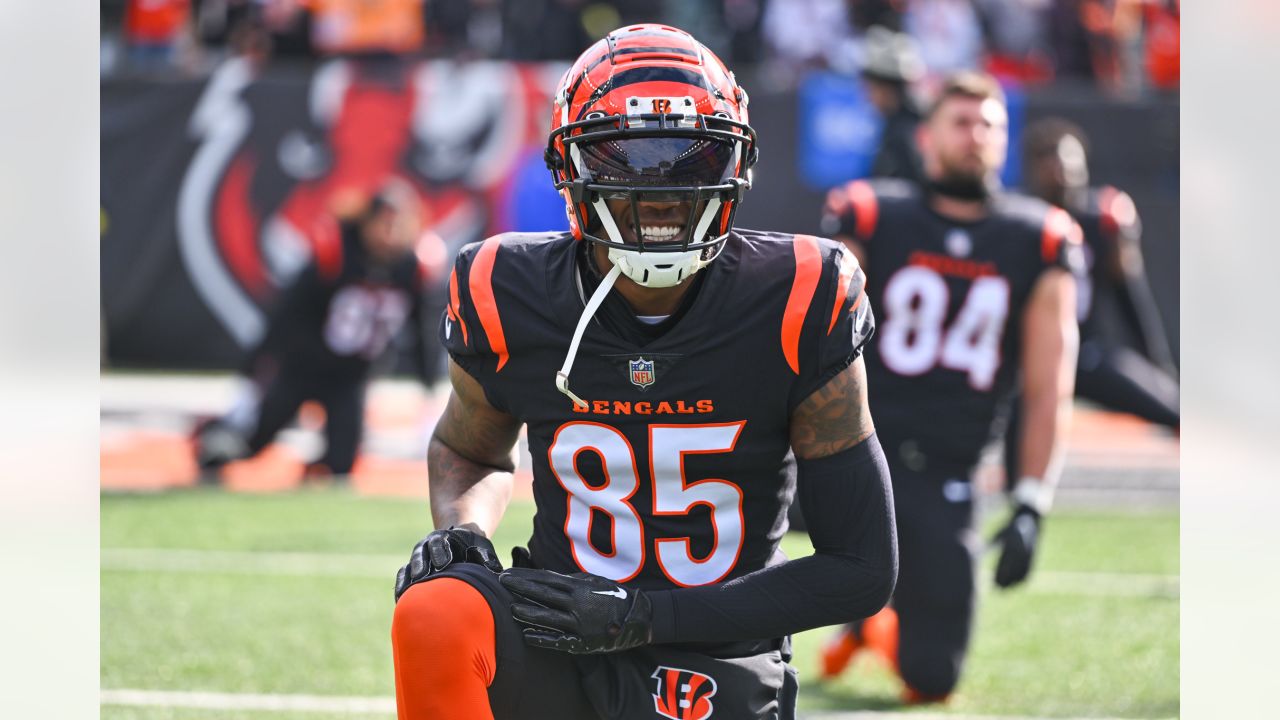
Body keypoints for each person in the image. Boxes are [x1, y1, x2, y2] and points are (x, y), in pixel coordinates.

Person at [389, 24, 898, 720]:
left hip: (716, 648)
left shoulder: (799, 295)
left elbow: (863, 570)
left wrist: (645, 615)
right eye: (625, 158)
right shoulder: (503, 287)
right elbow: (468, 448)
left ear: (735, 164)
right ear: (570, 166)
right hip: (554, 626)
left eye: (692, 158)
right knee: (436, 610)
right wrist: (465, 529)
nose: (661, 190)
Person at [817, 71, 1083, 702]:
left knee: (933, 680)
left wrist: (1032, 500)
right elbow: (814, 340)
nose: (976, 136)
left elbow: (1051, 385)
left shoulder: (1038, 237)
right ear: (928, 136)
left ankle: (875, 621)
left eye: (990, 125)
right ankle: (862, 600)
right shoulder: (871, 213)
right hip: (855, 453)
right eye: (961, 122)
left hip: (947, 473)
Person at [193, 180, 438, 482]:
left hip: (350, 379)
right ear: (367, 223)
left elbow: (421, 332)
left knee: (341, 466)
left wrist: (429, 392)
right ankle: (210, 435)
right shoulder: (337, 254)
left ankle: (313, 470)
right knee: (250, 444)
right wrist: (250, 377)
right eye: (384, 224)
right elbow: (285, 316)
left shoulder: (411, 268)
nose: (391, 234)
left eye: (399, 225)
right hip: (302, 368)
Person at [1018, 117, 1178, 430]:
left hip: (1086, 353)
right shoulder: (1018, 221)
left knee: (1175, 410)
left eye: (1068, 159)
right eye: (1048, 158)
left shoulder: (1102, 219)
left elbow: (1130, 296)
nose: (1060, 169)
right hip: (1026, 359)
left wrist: (1158, 364)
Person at [861, 25, 926, 183]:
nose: (868, 96)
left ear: (887, 89)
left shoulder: (905, 134)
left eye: (871, 88)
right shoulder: (900, 124)